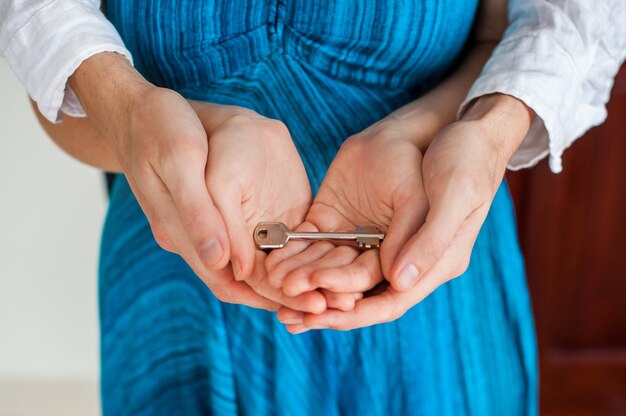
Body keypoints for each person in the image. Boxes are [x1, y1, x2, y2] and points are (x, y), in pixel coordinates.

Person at [2, 0, 625, 414]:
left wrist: (473, 135)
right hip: (183, 284)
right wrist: (139, 116)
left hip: (425, 263)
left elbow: (516, 32)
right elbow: (60, 87)